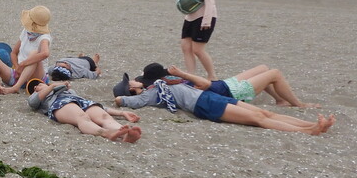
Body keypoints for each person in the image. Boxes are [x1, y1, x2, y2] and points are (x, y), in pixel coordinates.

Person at [114, 76, 335, 135]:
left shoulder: (156, 86)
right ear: (132, 89)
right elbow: (126, 102)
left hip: (209, 97)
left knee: (264, 111)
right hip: (205, 106)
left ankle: (308, 125)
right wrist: (120, 99)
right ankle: (308, 131)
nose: (134, 80)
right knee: (259, 119)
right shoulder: (149, 95)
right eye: (130, 83)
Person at [26, 78, 141, 143]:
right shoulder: (40, 96)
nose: (36, 87)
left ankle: (124, 133)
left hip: (78, 100)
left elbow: (101, 108)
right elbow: (33, 103)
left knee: (103, 116)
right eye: (34, 89)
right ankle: (107, 133)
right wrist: (51, 86)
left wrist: (122, 113)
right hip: (60, 104)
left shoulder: (65, 90)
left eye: (38, 84)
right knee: (81, 117)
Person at [166, 64, 318, 108]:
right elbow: (205, 84)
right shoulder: (181, 87)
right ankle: (299, 104)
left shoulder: (173, 82)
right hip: (233, 93)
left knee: (263, 68)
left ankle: (280, 99)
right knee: (275, 73)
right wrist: (183, 74)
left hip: (225, 84)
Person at [0, 5, 52, 94]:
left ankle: (16, 87)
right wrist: (17, 67)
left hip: (35, 78)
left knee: (34, 53)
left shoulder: (44, 38)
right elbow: (13, 53)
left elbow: (45, 53)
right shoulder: (26, 31)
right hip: (18, 73)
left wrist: (22, 65)